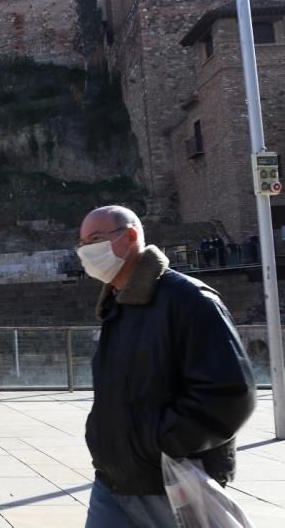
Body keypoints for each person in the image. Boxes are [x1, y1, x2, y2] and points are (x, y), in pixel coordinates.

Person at [76, 205, 255, 527]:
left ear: (130, 237)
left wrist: (161, 445)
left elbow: (230, 393)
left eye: (96, 239)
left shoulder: (189, 300)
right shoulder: (116, 306)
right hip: (112, 479)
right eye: (83, 242)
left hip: (170, 481)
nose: (86, 251)